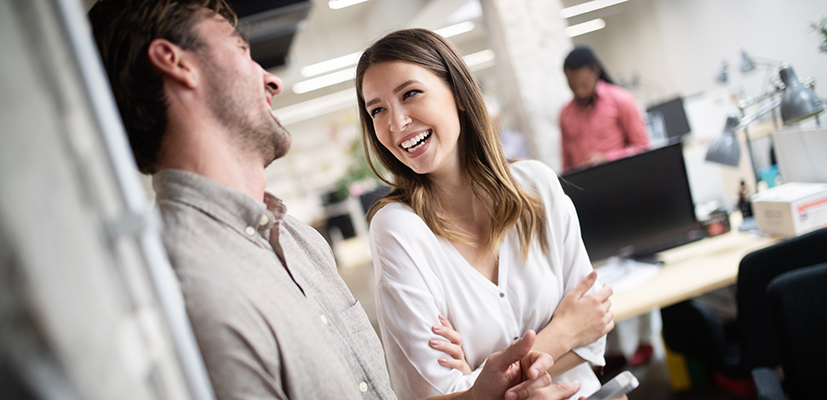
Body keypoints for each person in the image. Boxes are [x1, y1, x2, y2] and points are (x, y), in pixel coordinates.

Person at [87, 1, 585, 399]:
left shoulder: (299, 242)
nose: (273, 80)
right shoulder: (182, 282)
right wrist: (555, 341)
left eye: (411, 95)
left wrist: (478, 395)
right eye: (241, 49)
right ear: (176, 63)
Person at [355, 29, 615, 400]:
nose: (395, 124)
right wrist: (563, 333)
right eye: (377, 110)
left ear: (459, 94)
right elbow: (431, 394)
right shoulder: (397, 228)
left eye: (410, 94)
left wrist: (481, 384)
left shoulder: (537, 186)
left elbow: (594, 330)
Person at [559, 47, 649, 173]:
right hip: (586, 187)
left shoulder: (621, 99)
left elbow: (643, 147)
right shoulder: (565, 114)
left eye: (584, 85)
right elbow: (567, 166)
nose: (580, 92)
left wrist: (608, 158)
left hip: (621, 177)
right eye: (573, 86)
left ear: (596, 72)